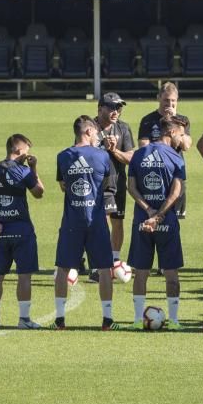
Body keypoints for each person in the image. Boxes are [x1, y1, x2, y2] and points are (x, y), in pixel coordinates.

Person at [53, 116, 118, 330]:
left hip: (72, 220)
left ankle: (60, 319)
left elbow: (63, 185)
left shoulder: (63, 157)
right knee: (104, 268)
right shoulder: (102, 156)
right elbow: (107, 184)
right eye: (96, 132)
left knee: (63, 269)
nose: (98, 136)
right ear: (88, 131)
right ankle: (107, 320)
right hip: (96, 220)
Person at [0, 134, 45, 330]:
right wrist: (33, 168)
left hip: (0, 232)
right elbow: (39, 193)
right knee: (24, 275)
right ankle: (24, 319)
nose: (28, 154)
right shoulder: (23, 171)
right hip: (22, 230)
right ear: (18, 150)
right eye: (27, 150)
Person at [127, 116, 187, 330]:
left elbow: (131, 187)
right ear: (171, 133)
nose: (183, 138)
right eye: (181, 134)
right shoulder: (176, 158)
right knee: (171, 272)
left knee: (141, 271)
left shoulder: (138, 155)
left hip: (142, 220)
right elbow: (176, 192)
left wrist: (149, 211)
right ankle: (174, 320)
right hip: (167, 221)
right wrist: (160, 215)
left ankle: (136, 320)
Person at [94, 92, 136, 277]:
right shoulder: (90, 127)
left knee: (118, 222)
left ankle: (114, 260)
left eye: (118, 107)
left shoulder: (123, 128)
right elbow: (82, 152)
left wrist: (114, 150)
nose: (116, 111)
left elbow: (131, 158)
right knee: (101, 223)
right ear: (100, 108)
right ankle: (98, 264)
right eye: (111, 107)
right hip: (97, 184)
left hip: (118, 181)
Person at [137, 82, 192, 218]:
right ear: (159, 98)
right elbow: (143, 146)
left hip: (175, 173)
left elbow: (186, 146)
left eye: (173, 100)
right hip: (154, 173)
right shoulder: (148, 120)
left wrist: (174, 121)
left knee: (175, 220)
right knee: (152, 216)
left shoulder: (183, 120)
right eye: (166, 100)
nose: (170, 104)